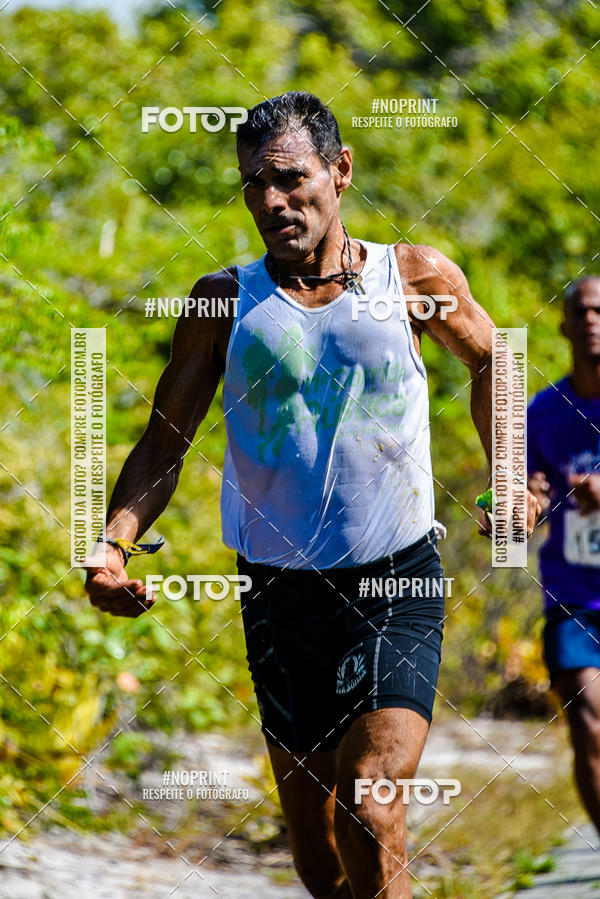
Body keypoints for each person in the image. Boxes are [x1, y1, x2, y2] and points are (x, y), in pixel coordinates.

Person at [86, 90, 540, 898]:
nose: (272, 200)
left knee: (371, 805)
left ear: (341, 171)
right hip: (276, 592)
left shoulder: (413, 275)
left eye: (290, 178)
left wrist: (511, 474)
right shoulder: (224, 300)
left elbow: (492, 359)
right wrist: (112, 543)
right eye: (254, 184)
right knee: (317, 851)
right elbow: (165, 439)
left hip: (394, 580)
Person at [528, 275, 600, 837]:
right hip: (574, 596)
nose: (592, 320)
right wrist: (524, 500)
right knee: (588, 724)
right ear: (565, 325)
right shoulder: (543, 412)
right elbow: (518, 488)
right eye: (582, 311)